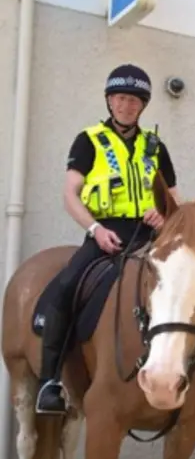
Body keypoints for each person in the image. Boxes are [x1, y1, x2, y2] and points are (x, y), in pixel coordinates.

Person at [35, 64, 179, 415]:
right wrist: (94, 229)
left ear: (143, 106)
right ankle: (49, 382)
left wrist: (164, 213)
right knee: (67, 285)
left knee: (190, 283)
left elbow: (175, 197)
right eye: (120, 98)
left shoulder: (155, 146)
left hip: (150, 234)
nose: (126, 106)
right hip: (106, 233)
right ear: (109, 101)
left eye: (134, 101)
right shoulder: (89, 141)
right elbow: (71, 194)